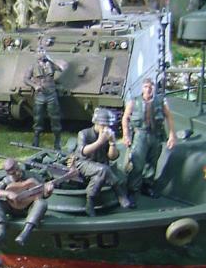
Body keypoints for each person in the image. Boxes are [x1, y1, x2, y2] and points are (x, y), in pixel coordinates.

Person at [122, 78, 176, 206]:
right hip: (140, 134)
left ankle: (147, 185)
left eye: (151, 87)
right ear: (142, 88)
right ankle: (132, 190)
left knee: (152, 162)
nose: (148, 89)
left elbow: (169, 116)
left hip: (155, 135)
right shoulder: (134, 101)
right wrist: (126, 135)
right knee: (137, 163)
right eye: (146, 86)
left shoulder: (160, 101)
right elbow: (125, 118)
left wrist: (172, 134)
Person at [74, 107, 131, 216]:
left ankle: (89, 203)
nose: (106, 128)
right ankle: (119, 193)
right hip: (84, 163)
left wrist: (112, 143)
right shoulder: (84, 133)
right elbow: (83, 152)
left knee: (99, 175)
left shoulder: (107, 135)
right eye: (103, 125)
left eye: (108, 126)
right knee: (103, 170)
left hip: (101, 166)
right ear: (96, 123)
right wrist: (100, 141)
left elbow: (112, 157)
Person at [0, 158, 53, 246]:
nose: (16, 174)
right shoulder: (6, 181)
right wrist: (8, 193)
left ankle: (25, 234)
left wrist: (48, 191)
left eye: (17, 170)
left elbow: (44, 194)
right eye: (12, 173)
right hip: (13, 207)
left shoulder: (33, 176)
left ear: (18, 166)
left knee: (41, 203)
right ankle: (1, 232)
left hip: (29, 208)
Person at [24, 47, 68, 150]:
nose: (42, 53)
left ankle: (57, 140)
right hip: (40, 95)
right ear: (36, 54)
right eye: (39, 51)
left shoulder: (50, 64)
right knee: (38, 118)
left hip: (51, 95)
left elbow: (61, 68)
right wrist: (34, 86)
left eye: (43, 51)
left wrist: (50, 60)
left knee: (55, 118)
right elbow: (26, 79)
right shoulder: (32, 66)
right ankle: (36, 137)